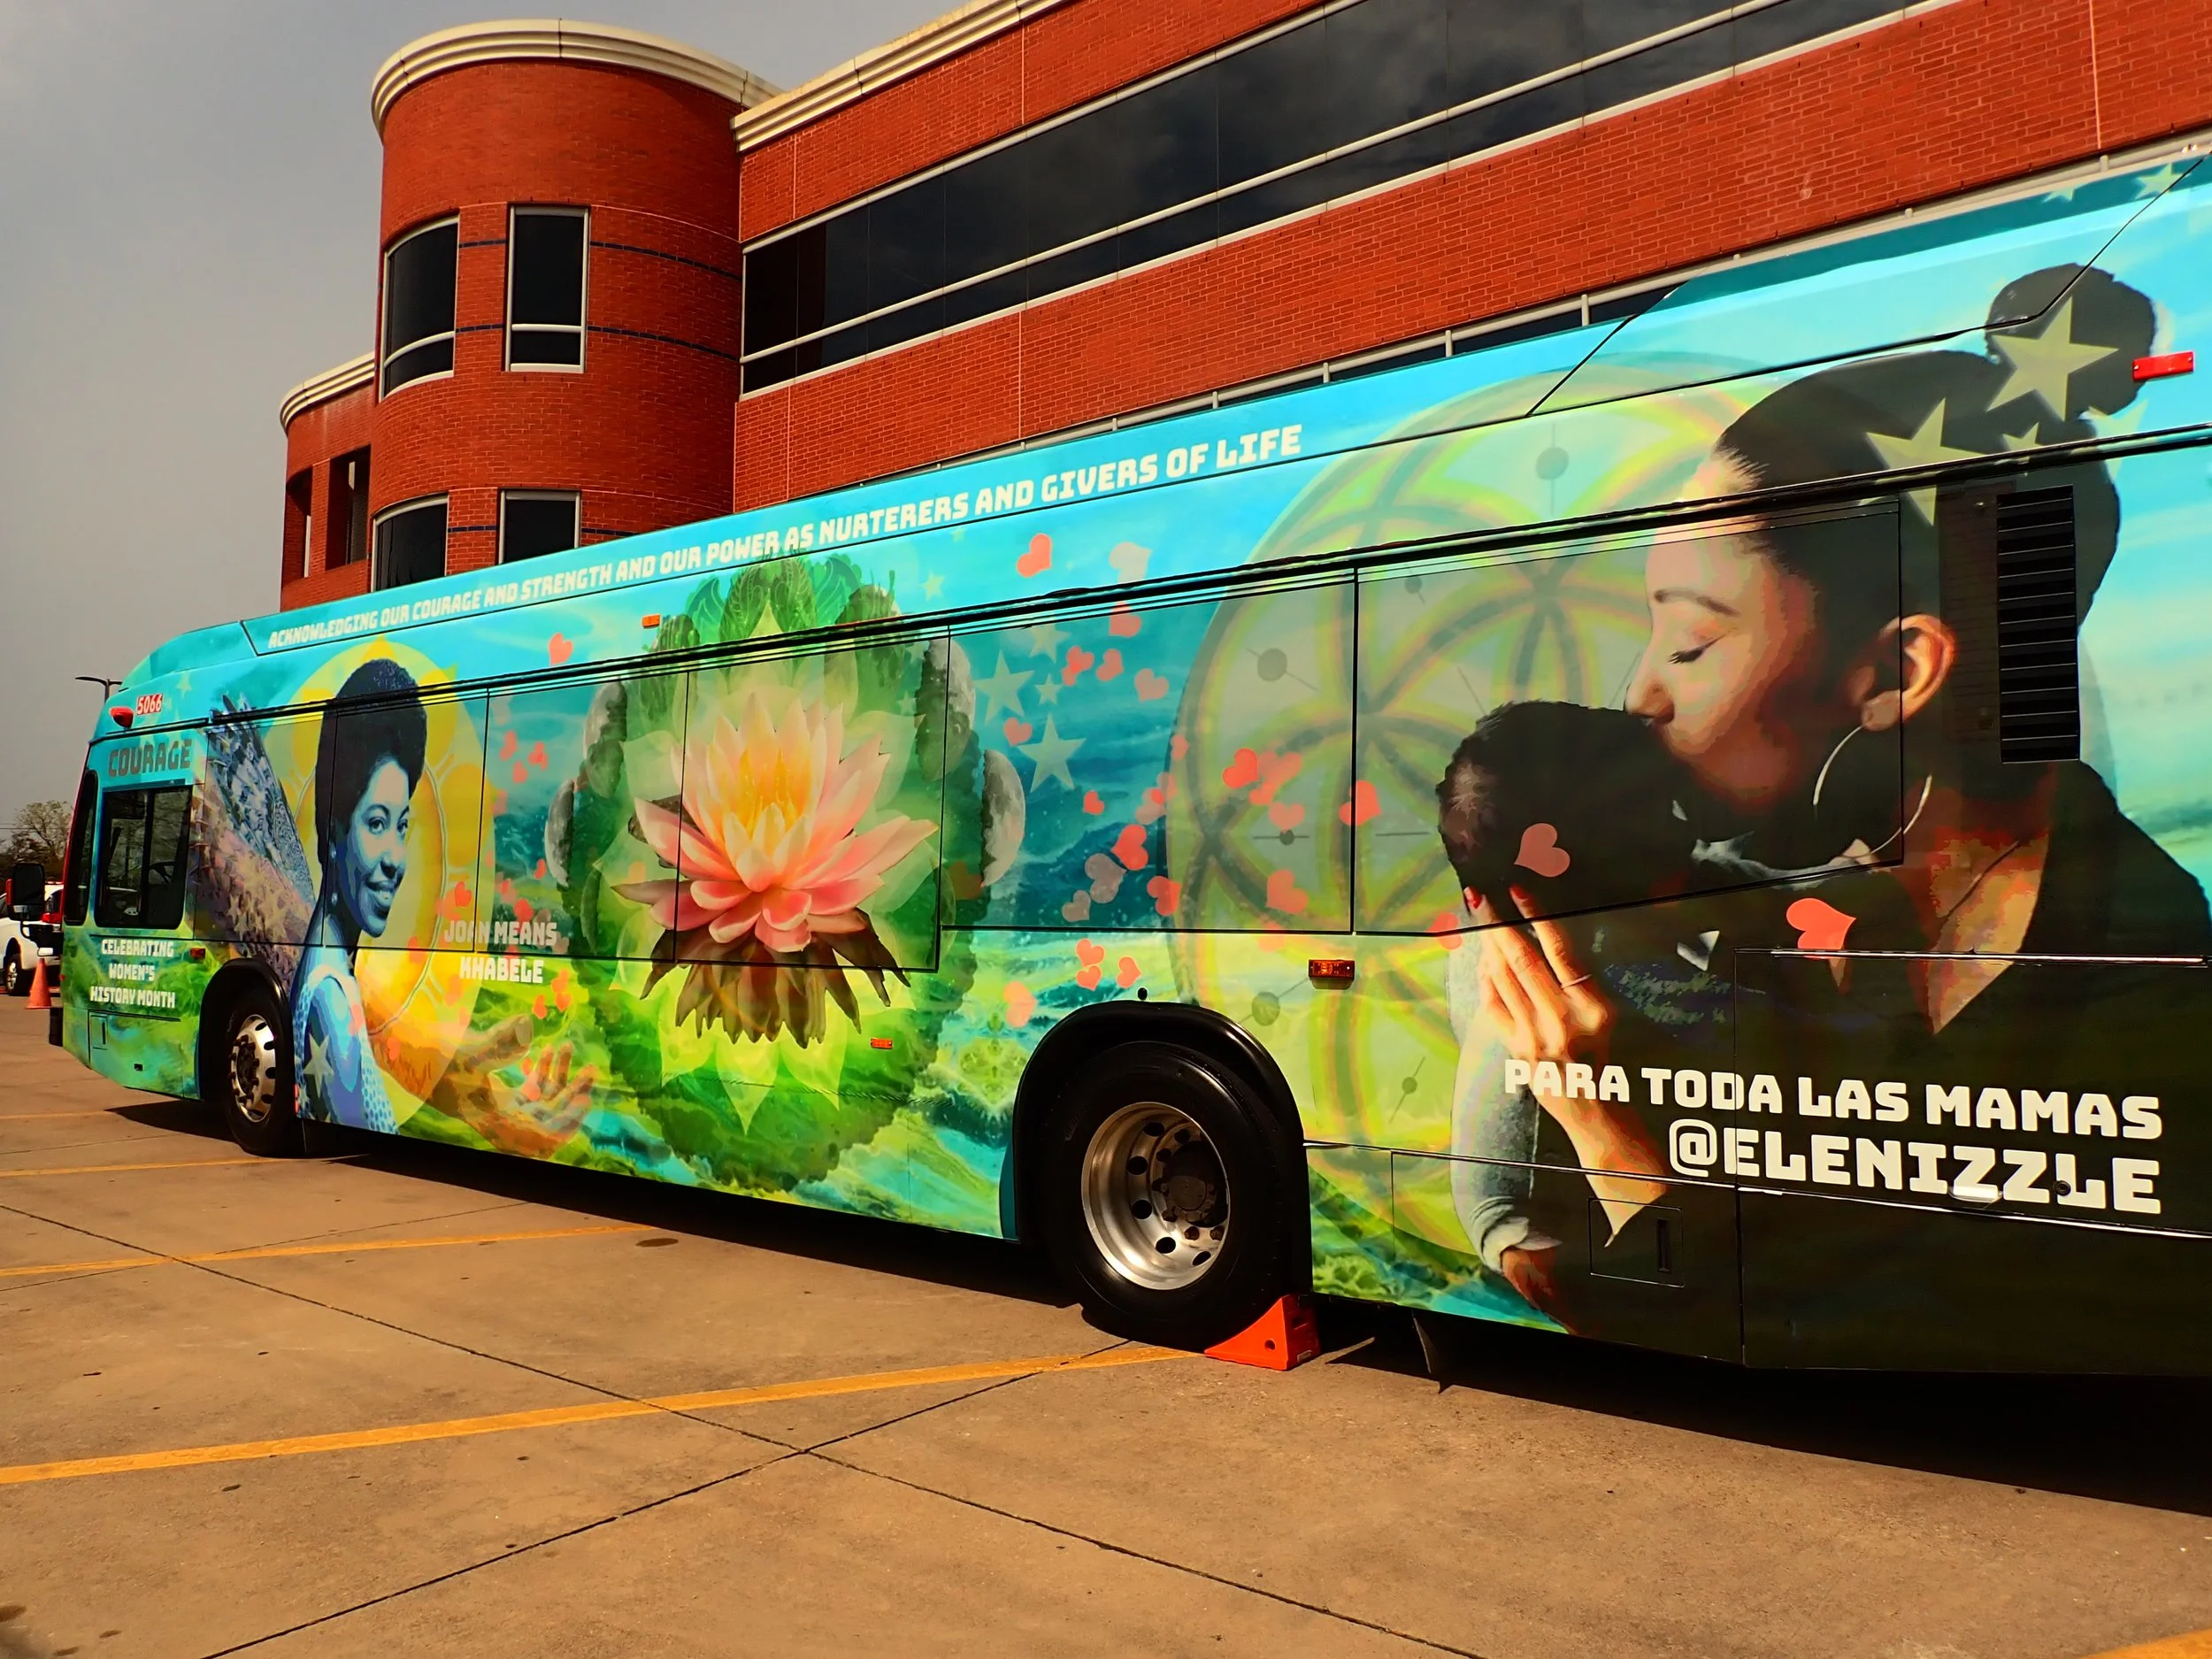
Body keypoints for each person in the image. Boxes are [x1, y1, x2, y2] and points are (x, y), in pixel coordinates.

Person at [1448, 263, 2212, 1325]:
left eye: (1690, 640)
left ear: (1897, 673)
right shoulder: (1813, 887)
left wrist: (1603, 1128)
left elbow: (1914, 1321)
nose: (1639, 695)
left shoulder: (2142, 968)